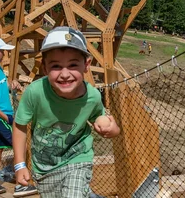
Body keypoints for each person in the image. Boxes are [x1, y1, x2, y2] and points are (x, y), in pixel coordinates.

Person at [13, 27, 120, 197]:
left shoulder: (91, 96)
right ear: (45, 68)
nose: (64, 74)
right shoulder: (34, 92)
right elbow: (19, 126)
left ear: (86, 65)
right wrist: (19, 164)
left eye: (72, 65)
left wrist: (112, 130)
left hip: (77, 159)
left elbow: (103, 122)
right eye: (56, 66)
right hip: (43, 167)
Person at [0, 35, 38, 197]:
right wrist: (7, 118)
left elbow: (3, 84)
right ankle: (21, 184)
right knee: (21, 146)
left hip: (3, 116)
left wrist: (13, 84)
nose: (4, 54)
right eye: (2, 51)